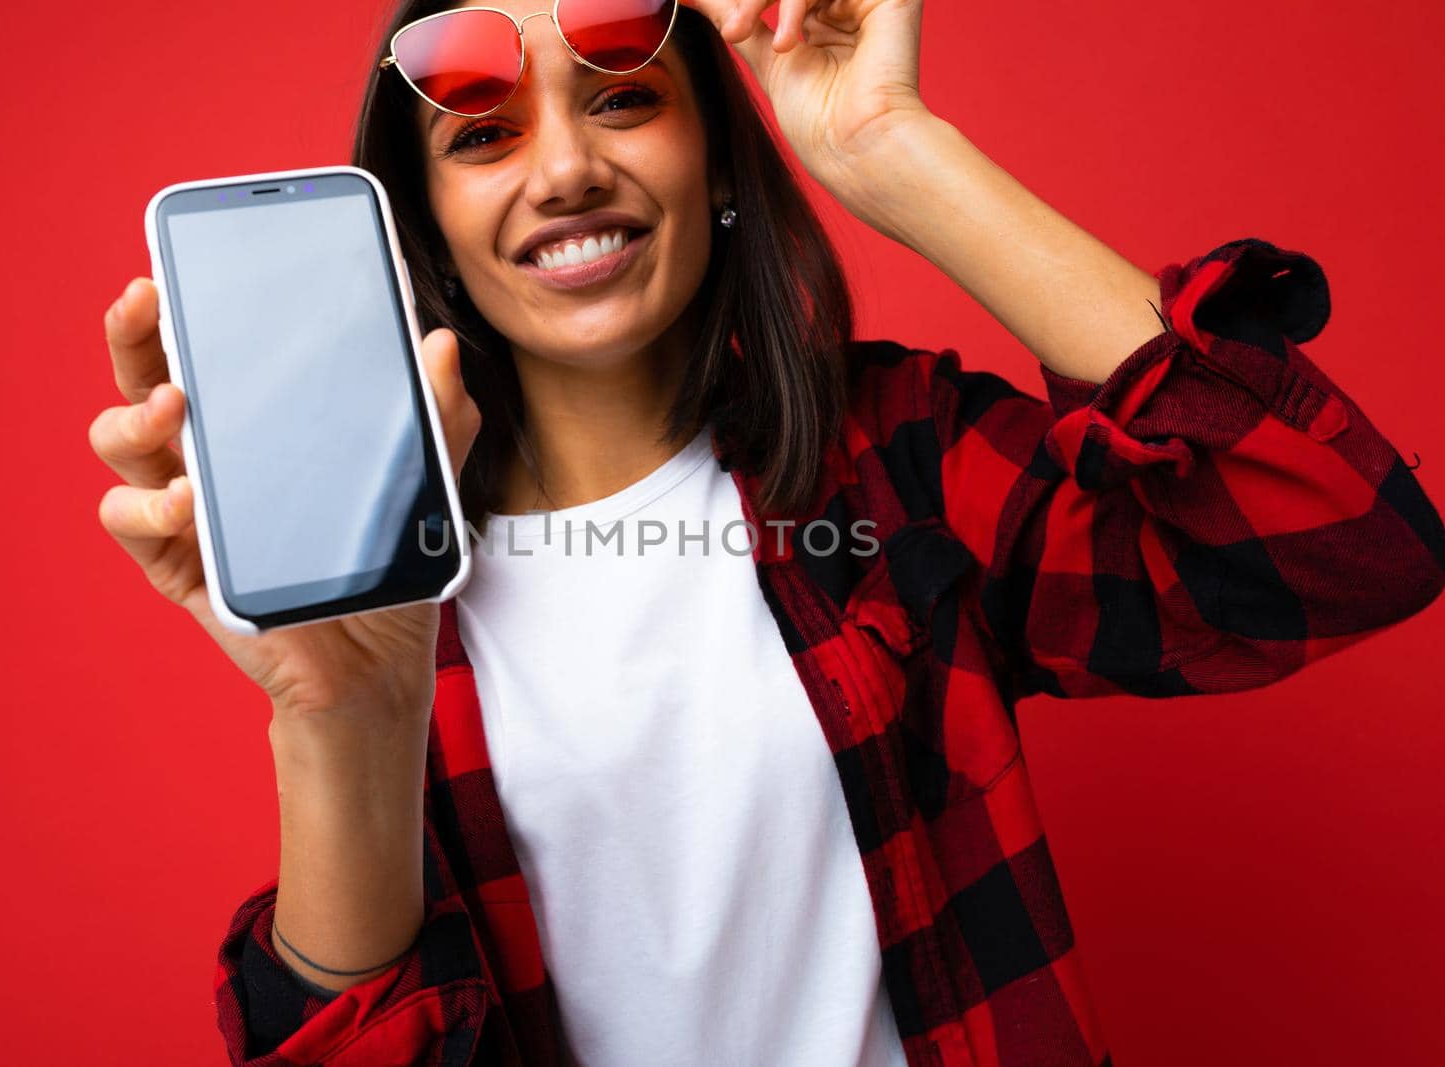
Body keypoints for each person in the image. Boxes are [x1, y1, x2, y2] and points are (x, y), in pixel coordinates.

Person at [90, 0, 1445, 1063]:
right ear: (425, 221)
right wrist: (346, 716)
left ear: (717, 158)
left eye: (624, 101)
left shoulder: (893, 464)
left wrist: (892, 151)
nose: (566, 166)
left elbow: (1334, 541)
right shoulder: (383, 588)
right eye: (484, 135)